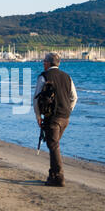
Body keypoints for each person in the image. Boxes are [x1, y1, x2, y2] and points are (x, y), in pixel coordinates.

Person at [33, 53, 77, 187]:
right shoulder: (67, 77)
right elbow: (74, 97)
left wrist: (38, 116)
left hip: (52, 117)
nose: (42, 63)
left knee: (53, 146)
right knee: (54, 145)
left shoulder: (44, 76)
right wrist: (68, 110)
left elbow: (36, 98)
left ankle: (58, 177)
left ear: (48, 63)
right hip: (65, 117)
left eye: (44, 61)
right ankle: (53, 175)